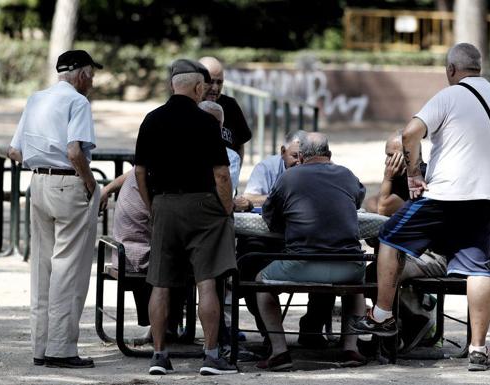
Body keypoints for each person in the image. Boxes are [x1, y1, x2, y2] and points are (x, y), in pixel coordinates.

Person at [352, 43, 490, 371]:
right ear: (478, 67)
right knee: (478, 267)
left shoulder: (448, 95)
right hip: (487, 196)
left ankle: (381, 315)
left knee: (390, 237)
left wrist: (413, 175)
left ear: (451, 69)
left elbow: (410, 132)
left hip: (445, 194)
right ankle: (478, 349)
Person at [134, 58, 238, 376]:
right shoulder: (207, 123)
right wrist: (227, 208)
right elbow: (221, 174)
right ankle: (210, 356)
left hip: (164, 204)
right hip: (203, 206)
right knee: (207, 282)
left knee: (161, 283)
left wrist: (153, 204)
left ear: (171, 86)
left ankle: (160, 355)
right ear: (197, 88)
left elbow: (139, 171)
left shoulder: (151, 120)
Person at [7, 50, 102, 368]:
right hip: (69, 183)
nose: (92, 81)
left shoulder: (36, 99)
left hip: (38, 183)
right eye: (92, 74)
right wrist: (89, 182)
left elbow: (14, 151)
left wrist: (42, 160)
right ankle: (61, 349)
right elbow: (75, 151)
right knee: (68, 269)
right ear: (82, 74)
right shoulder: (78, 102)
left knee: (42, 267)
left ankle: (40, 346)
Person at [256, 132, 368, 371]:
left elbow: (271, 217)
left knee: (261, 283)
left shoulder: (289, 177)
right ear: (329, 154)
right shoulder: (347, 175)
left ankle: (279, 352)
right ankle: (351, 348)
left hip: (301, 264)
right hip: (348, 266)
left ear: (302, 156)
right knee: (357, 286)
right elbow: (357, 201)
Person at [364, 132, 447, 352]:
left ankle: (413, 323)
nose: (387, 161)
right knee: (377, 269)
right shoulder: (404, 179)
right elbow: (371, 202)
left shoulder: (423, 179)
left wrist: (387, 179)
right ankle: (394, 330)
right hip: (412, 253)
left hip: (434, 256)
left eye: (392, 155)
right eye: (386, 156)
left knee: (375, 274)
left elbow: (382, 207)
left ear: (410, 155)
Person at [199, 56, 252, 163]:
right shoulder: (187, 105)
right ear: (198, 80)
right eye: (210, 81)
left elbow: (240, 144)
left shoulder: (230, 105)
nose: (215, 88)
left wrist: (236, 173)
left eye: (219, 82)